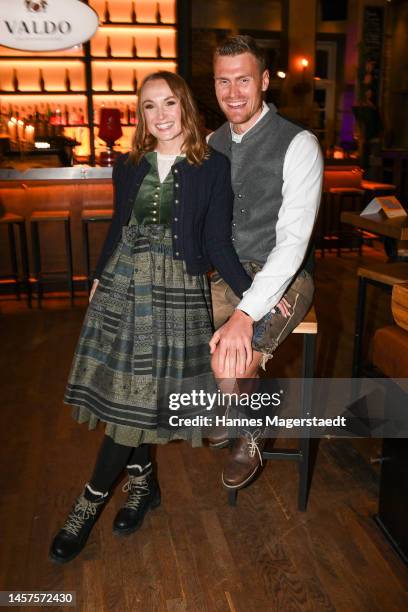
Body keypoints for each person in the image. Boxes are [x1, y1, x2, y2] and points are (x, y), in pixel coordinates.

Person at [49, 71, 252, 564]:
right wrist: (98, 277)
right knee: (127, 395)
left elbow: (216, 243)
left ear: (184, 105)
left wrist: (254, 298)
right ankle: (143, 486)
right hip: (122, 284)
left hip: (177, 290)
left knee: (140, 395)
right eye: (148, 107)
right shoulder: (130, 163)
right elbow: (120, 225)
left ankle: (90, 501)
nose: (159, 116)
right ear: (141, 115)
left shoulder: (213, 167)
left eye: (168, 104)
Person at [207, 35, 323, 489]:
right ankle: (230, 399)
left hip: (287, 275)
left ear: (264, 81)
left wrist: (245, 313)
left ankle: (249, 430)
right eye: (223, 81)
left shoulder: (299, 144)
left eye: (243, 80)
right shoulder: (212, 142)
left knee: (229, 362)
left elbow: (293, 245)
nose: (233, 93)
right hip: (228, 270)